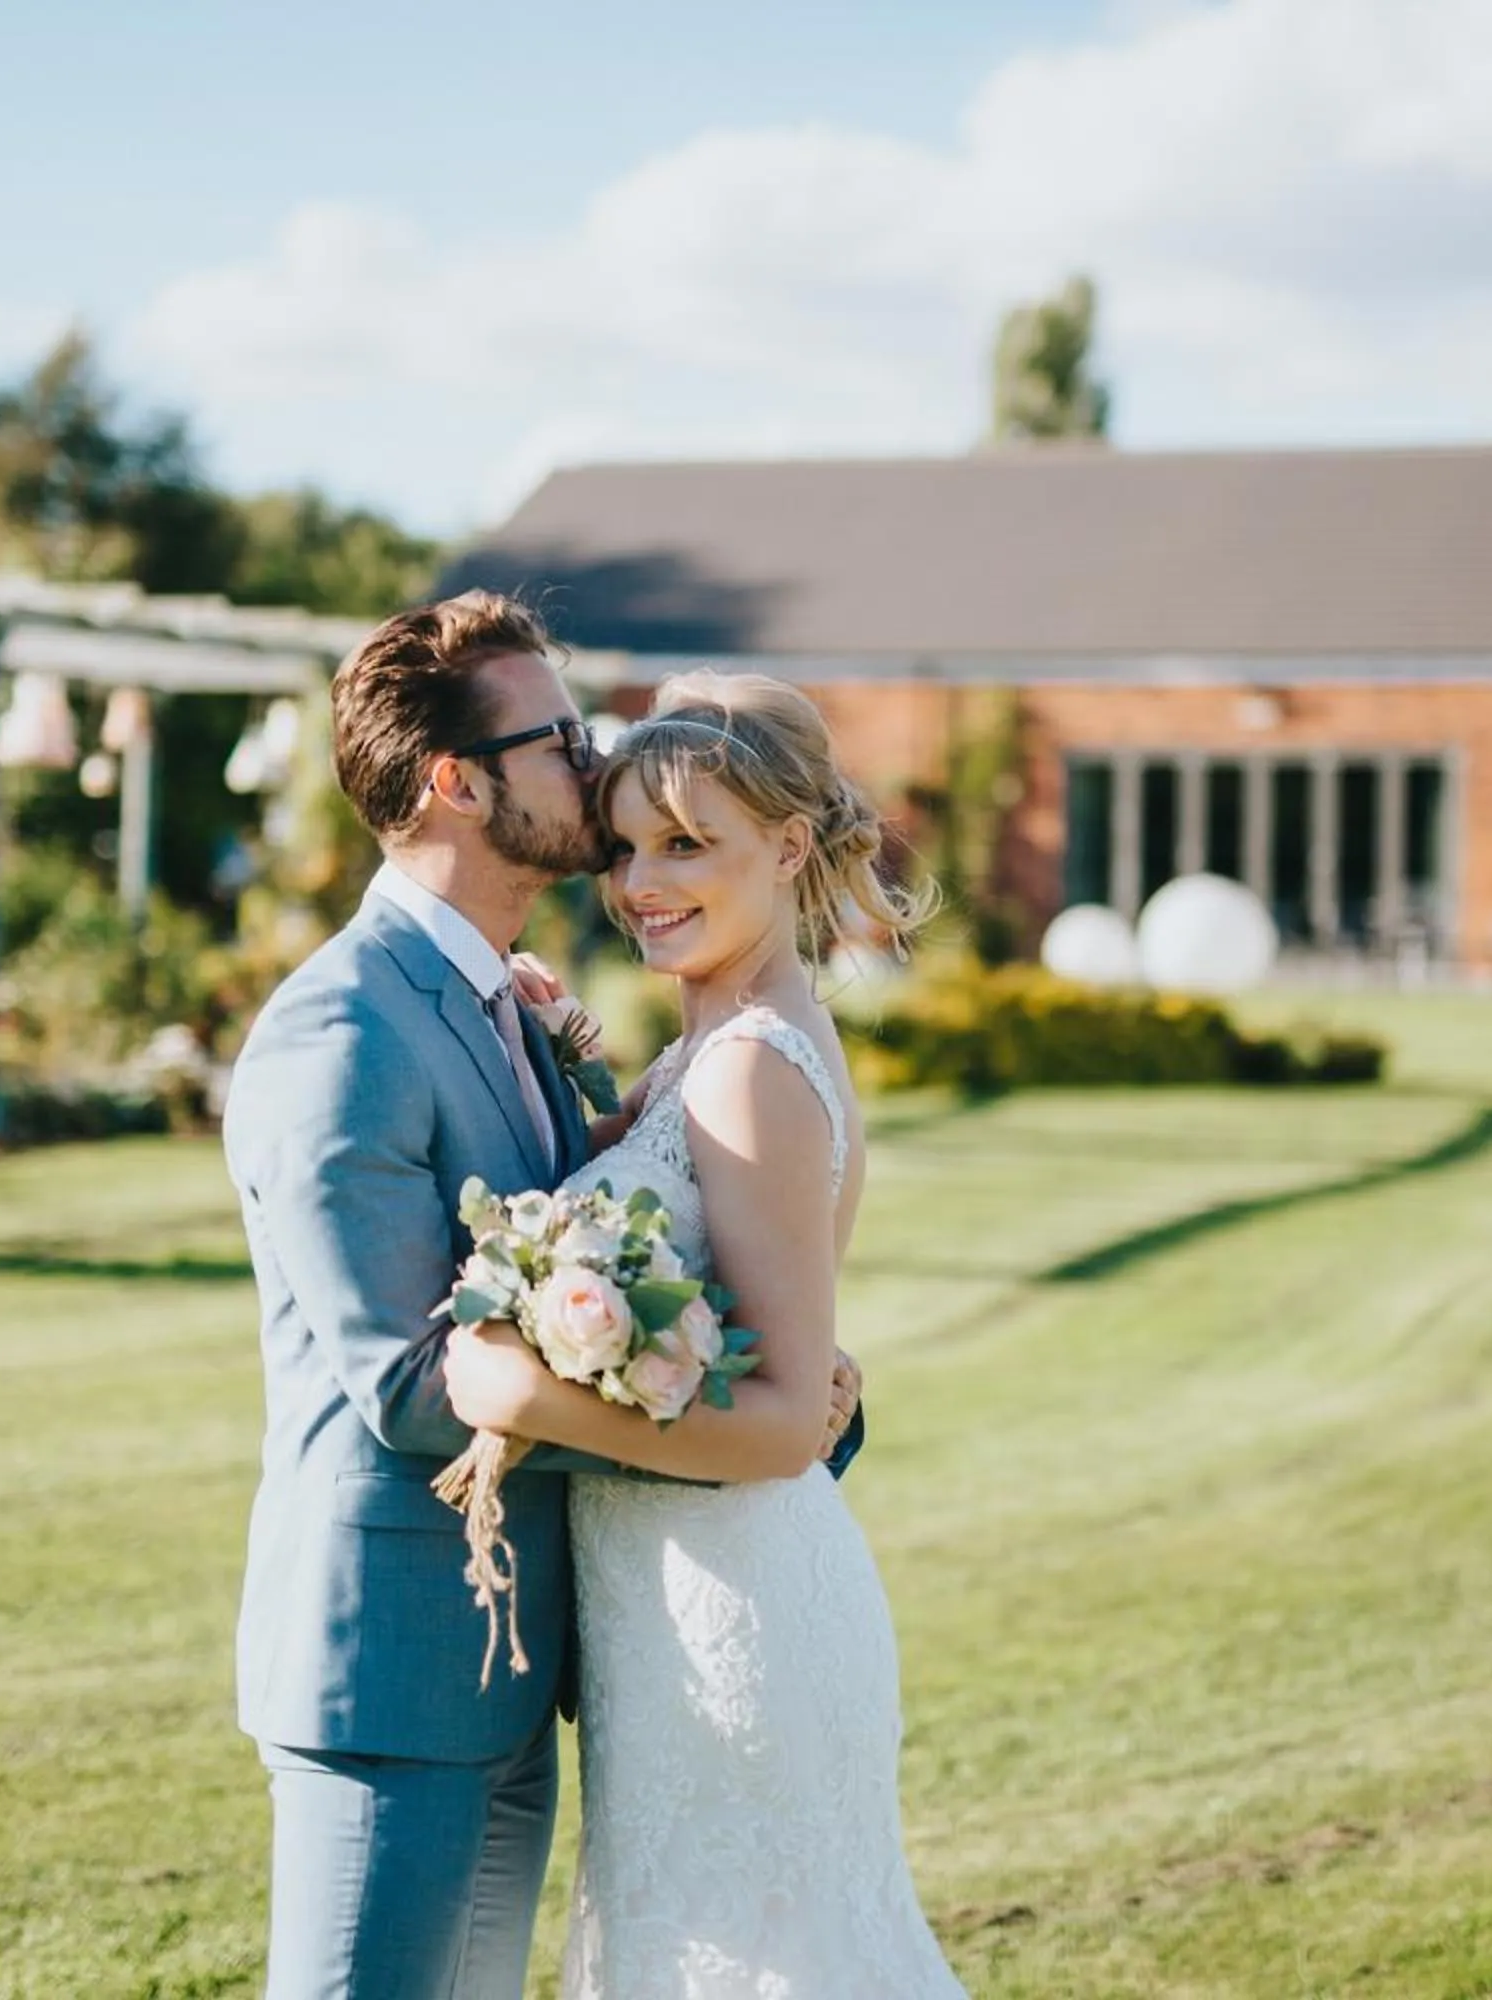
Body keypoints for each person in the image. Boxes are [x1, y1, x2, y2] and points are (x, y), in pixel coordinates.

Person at [221, 595, 864, 2000]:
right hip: (392, 1661)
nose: (597, 761)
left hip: (531, 1654)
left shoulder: (511, 1010)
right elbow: (406, 1385)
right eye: (562, 737)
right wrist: (749, 1417)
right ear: (458, 781)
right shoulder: (343, 1030)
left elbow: (651, 1275)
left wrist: (775, 1383)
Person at [444, 671, 969, 1998]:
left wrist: (525, 1394)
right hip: (664, 1603)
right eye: (622, 846)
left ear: (788, 848)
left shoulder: (749, 1067)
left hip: (737, 1609)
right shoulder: (712, 1046)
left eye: (686, 844)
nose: (639, 881)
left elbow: (793, 1420)